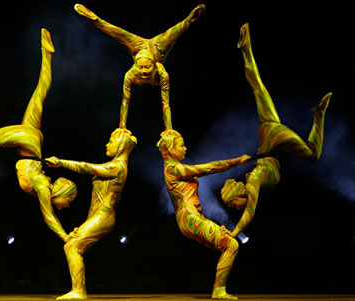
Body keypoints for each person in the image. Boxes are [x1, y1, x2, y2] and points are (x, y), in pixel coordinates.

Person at [0, 28, 77, 243]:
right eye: (68, 202)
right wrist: (66, 237)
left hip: (32, 143)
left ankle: (46, 53)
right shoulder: (42, 186)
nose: (66, 206)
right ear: (61, 195)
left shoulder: (42, 182)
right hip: (28, 144)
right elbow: (49, 217)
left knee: (40, 91)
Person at [220, 23, 332, 238]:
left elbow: (249, 213)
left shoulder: (253, 182)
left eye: (234, 205)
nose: (237, 208)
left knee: (313, 154)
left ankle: (319, 115)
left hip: (275, 140)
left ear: (237, 195)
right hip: (268, 132)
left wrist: (234, 233)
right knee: (258, 87)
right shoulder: (253, 175)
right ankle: (246, 48)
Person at [74, 3, 206, 130]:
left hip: (157, 49)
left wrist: (169, 128)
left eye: (147, 67)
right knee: (116, 32)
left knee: (176, 31)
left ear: (154, 66)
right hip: (139, 49)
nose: (143, 72)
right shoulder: (130, 75)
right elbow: (125, 102)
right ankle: (95, 19)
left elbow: (165, 103)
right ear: (135, 66)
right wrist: (122, 126)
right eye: (141, 68)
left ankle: (190, 19)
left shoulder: (162, 73)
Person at [157, 129, 250, 300]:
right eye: (181, 145)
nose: (185, 148)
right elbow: (207, 168)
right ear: (170, 149)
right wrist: (237, 161)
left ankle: (219, 289)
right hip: (190, 218)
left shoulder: (170, 166)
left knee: (227, 244)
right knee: (231, 245)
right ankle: (219, 290)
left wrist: (166, 103)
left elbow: (167, 118)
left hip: (190, 219)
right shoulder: (174, 169)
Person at [46, 128, 137, 300]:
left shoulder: (117, 167)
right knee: (72, 245)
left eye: (111, 141)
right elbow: (123, 114)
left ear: (122, 145)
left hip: (103, 217)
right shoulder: (117, 165)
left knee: (72, 246)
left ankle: (79, 291)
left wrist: (60, 162)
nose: (107, 144)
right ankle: (78, 290)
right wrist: (125, 101)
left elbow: (85, 167)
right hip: (97, 216)